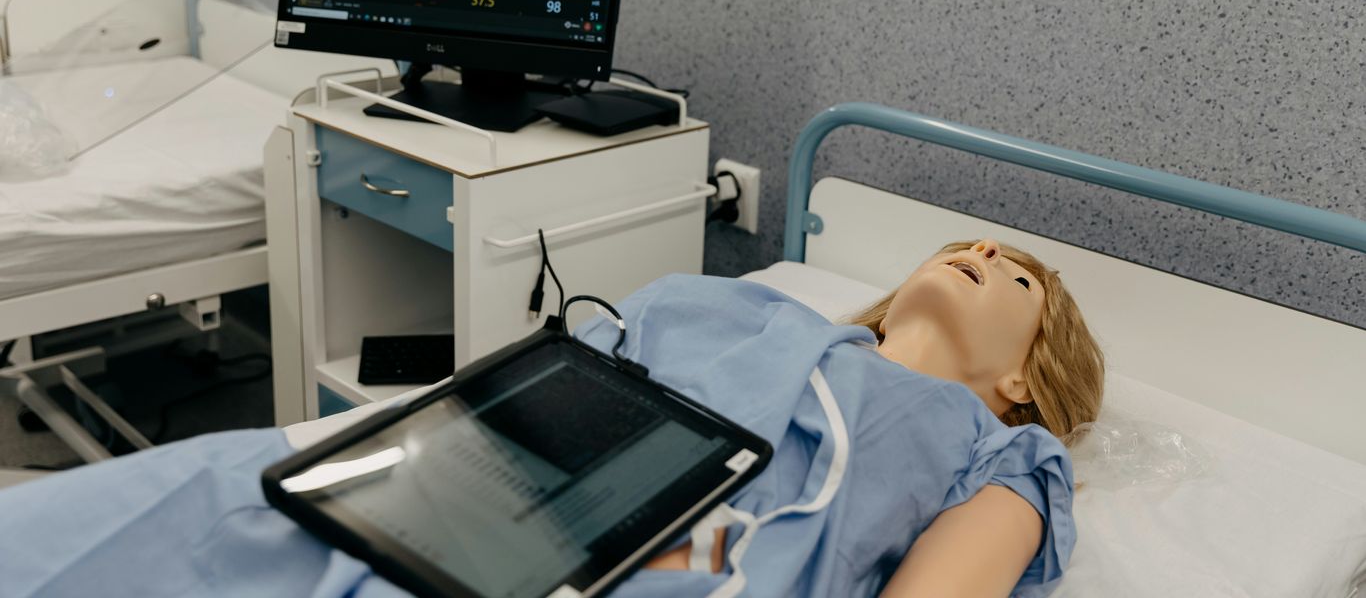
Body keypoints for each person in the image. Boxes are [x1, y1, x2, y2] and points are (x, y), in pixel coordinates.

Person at [0, 239, 1103, 598]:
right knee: (192, 492)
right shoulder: (717, 302)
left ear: (1027, 372)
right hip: (450, 498)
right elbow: (514, 395)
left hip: (683, 570)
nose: (977, 252)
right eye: (963, 245)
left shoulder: (1006, 449)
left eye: (1013, 274)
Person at [632, 238, 1104, 597]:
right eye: (967, 248)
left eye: (1021, 282)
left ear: (1022, 380)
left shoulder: (1007, 461)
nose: (986, 247)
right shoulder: (743, 309)